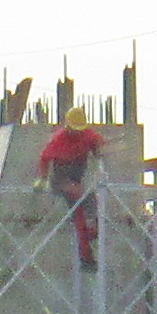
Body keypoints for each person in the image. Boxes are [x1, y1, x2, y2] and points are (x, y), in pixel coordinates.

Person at [38, 108, 108, 271]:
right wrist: (42, 179)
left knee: (90, 204)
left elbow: (98, 145)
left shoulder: (87, 134)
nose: (77, 133)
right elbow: (44, 159)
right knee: (78, 210)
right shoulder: (58, 140)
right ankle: (86, 257)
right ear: (67, 126)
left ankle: (91, 233)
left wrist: (99, 152)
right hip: (60, 178)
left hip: (76, 177)